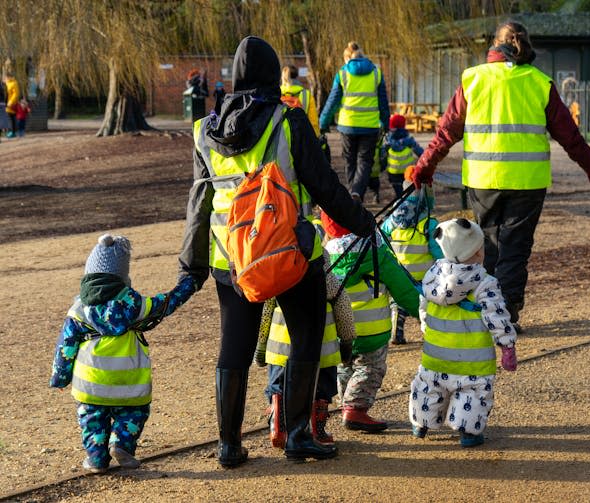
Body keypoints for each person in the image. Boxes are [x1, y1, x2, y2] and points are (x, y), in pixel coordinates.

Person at [178, 36, 375, 467]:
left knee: (235, 344)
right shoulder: (289, 121)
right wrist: (363, 221)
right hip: (290, 252)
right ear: (272, 74)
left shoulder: (203, 131)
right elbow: (324, 187)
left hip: (229, 260)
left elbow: (199, 205)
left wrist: (190, 266)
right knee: (306, 333)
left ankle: (228, 445)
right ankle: (299, 434)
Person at [411, 21, 590, 330]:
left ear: (493, 45)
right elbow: (571, 138)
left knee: (486, 243)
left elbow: (447, 131)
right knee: (516, 248)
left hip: (483, 178)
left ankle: (484, 309)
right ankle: (507, 313)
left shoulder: (473, 79)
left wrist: (425, 166)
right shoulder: (539, 82)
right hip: (528, 182)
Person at [49, 234, 197, 473]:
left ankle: (96, 458)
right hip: (129, 383)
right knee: (133, 414)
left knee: (92, 419)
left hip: (91, 384)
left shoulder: (78, 310)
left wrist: (60, 377)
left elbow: (65, 348)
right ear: (122, 277)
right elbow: (167, 303)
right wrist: (189, 283)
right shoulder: (136, 306)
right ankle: (121, 445)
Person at [410, 218, 517, 447]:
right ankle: (468, 432)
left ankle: (421, 422)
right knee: (473, 395)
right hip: (473, 362)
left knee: (429, 387)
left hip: (435, 355)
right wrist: (507, 344)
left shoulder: (433, 276)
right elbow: (496, 315)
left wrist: (425, 324)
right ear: (478, 252)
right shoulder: (485, 283)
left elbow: (423, 304)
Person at [321, 211, 419, 432]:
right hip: (373, 331)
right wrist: (425, 313)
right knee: (370, 369)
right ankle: (355, 409)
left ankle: (347, 402)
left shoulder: (325, 256)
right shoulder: (377, 254)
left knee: (345, 366)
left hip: (338, 331)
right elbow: (403, 290)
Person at [260, 250, 356, 448]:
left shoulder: (276, 279)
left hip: (280, 349)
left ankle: (278, 423)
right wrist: (346, 343)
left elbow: (265, 315)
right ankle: (317, 431)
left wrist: (260, 349)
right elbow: (344, 311)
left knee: (279, 384)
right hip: (321, 351)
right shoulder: (328, 280)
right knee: (320, 388)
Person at [319, 41, 390, 200]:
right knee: (365, 162)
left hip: (347, 125)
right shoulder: (376, 73)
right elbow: (383, 102)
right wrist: (386, 123)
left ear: (348, 58)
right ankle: (357, 192)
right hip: (370, 126)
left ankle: (353, 195)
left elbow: (333, 101)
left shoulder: (343, 73)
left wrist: (323, 123)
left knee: (349, 160)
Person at [381, 171, 442, 344]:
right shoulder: (428, 222)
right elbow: (438, 251)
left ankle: (397, 323)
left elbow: (382, 240)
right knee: (426, 305)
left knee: (399, 302)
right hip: (424, 277)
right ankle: (429, 332)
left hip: (400, 275)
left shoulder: (392, 220)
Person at [381, 114, 424, 198]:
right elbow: (419, 152)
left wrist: (382, 166)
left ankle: (399, 199)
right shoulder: (408, 139)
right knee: (407, 190)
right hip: (407, 170)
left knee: (398, 190)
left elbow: (383, 154)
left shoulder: (387, 139)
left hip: (393, 171)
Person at [280, 65, 319, 136]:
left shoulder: (276, 94)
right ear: (297, 76)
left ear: (283, 77)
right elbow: (313, 122)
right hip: (301, 137)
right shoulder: (307, 95)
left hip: (281, 137)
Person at [4, 71, 19, 138]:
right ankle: (11, 131)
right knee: (9, 118)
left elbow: (16, 94)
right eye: (5, 78)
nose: (6, 79)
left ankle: (13, 132)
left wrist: (11, 102)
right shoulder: (6, 83)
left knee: (11, 118)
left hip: (11, 104)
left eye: (7, 77)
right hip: (6, 103)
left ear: (10, 77)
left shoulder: (14, 83)